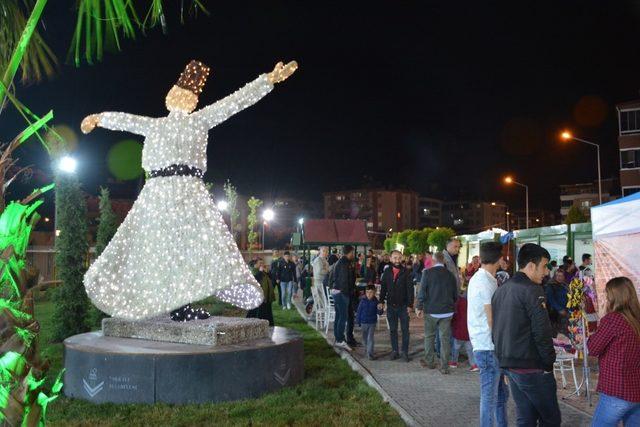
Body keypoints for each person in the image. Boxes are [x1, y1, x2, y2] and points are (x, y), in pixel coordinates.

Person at [492, 243, 560, 426]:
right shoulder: (532, 290)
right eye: (544, 266)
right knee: (550, 419)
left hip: (511, 364)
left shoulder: (502, 289)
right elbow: (542, 331)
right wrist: (548, 363)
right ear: (531, 265)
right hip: (531, 367)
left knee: (526, 417)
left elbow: (495, 328)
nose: (546, 272)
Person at [588, 277, 640, 426]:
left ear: (613, 296)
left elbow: (593, 348)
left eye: (607, 294)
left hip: (617, 390)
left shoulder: (613, 319)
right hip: (636, 391)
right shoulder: (637, 318)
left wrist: (592, 336)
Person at [467, 241, 509, 427]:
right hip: (488, 346)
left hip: (488, 345)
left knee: (500, 396)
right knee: (490, 397)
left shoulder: (486, 279)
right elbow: (491, 317)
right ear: (499, 258)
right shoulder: (483, 281)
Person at [418, 251, 458, 373]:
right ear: (444, 261)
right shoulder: (450, 275)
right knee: (445, 339)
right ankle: (444, 366)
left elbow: (422, 292)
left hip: (431, 311)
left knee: (429, 336)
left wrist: (419, 307)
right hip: (447, 312)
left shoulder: (427, 273)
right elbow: (455, 295)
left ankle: (430, 362)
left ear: (433, 261)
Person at [379, 250, 414, 362]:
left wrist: (410, 305)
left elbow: (410, 290)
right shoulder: (387, 272)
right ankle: (395, 351)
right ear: (390, 259)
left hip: (403, 306)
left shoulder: (406, 272)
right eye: (395, 258)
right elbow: (383, 288)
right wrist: (381, 301)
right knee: (393, 330)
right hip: (391, 305)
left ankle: (404, 352)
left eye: (399, 258)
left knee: (405, 330)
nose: (397, 260)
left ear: (402, 258)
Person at [331, 245, 356, 351]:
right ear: (349, 252)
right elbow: (344, 280)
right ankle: (340, 340)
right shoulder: (344, 264)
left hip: (337, 292)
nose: (353, 255)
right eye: (353, 253)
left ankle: (338, 338)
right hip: (342, 293)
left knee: (338, 316)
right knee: (343, 317)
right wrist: (347, 292)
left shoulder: (340, 262)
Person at [450, 286, 478, 371]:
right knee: (470, 349)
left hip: (458, 331)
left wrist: (451, 324)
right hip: (469, 331)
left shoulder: (458, 303)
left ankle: (454, 362)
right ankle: (473, 364)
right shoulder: (472, 302)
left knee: (455, 348)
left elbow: (454, 316)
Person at [356, 284, 384, 360]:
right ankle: (366, 350)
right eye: (367, 292)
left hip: (372, 322)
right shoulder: (362, 300)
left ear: (374, 292)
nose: (369, 294)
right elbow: (359, 311)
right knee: (365, 338)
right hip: (363, 322)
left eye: (371, 292)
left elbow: (379, 313)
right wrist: (358, 321)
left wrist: (380, 309)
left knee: (370, 338)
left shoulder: (376, 301)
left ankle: (370, 354)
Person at [246, 259, 275, 326]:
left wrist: (267, 272)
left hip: (266, 295)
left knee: (266, 310)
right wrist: (261, 272)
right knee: (257, 311)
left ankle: (268, 323)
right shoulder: (253, 271)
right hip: (258, 295)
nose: (262, 264)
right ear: (255, 264)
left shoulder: (262, 271)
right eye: (260, 263)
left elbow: (271, 278)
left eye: (262, 263)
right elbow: (255, 280)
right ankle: (256, 323)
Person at [544, 270, 569, 336]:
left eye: (561, 276)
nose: (559, 277)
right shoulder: (551, 286)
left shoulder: (565, 285)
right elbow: (551, 299)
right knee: (556, 331)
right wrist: (559, 309)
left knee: (564, 330)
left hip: (565, 311)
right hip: (555, 312)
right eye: (558, 276)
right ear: (554, 276)